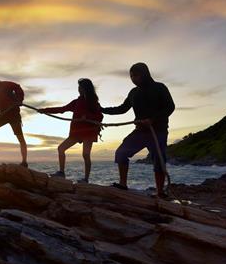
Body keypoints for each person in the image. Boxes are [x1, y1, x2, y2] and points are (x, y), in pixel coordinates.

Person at [101, 62, 175, 198]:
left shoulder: (160, 88)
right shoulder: (133, 92)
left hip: (157, 131)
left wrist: (153, 119)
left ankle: (160, 192)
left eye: (136, 75)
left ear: (145, 74)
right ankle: (123, 184)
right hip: (140, 131)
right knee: (121, 153)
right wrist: (101, 109)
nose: (133, 78)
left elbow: (170, 107)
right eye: (131, 76)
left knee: (159, 160)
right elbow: (121, 109)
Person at [39, 78, 103, 182]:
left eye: (81, 87)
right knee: (61, 149)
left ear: (86, 88)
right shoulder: (76, 102)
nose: (79, 89)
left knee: (86, 154)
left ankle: (86, 179)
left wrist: (87, 116)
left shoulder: (93, 102)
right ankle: (61, 173)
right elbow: (61, 109)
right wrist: (45, 111)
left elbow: (100, 116)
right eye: (78, 87)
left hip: (89, 131)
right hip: (76, 132)